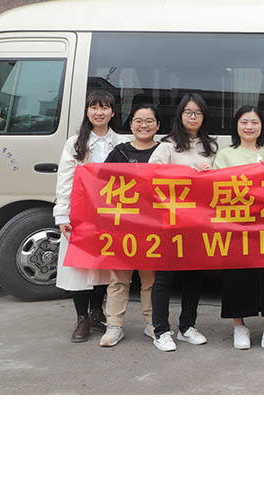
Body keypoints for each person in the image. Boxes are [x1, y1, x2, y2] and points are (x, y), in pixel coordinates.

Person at [214, 105, 264, 355]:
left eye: (255, 122)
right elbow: (214, 187)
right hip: (236, 226)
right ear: (237, 125)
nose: (249, 127)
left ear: (261, 127)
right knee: (237, 276)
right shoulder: (225, 155)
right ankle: (239, 325)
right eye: (244, 122)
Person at [54, 89, 125, 342]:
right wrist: (62, 215)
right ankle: (81, 319)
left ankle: (97, 313)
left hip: (110, 215)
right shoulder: (75, 143)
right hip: (81, 215)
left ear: (112, 112)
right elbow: (65, 179)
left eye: (104, 107)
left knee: (103, 268)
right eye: (94, 107)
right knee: (81, 268)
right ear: (87, 111)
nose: (99, 112)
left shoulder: (121, 143)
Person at [148, 93, 217, 352]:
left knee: (194, 278)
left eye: (197, 112)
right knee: (164, 278)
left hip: (198, 224)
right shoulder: (167, 146)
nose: (192, 116)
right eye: (188, 112)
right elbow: (151, 176)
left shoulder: (211, 147)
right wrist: (185, 173)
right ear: (180, 115)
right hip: (170, 222)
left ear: (204, 117)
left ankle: (187, 326)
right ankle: (161, 331)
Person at [100, 103, 161, 347]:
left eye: (149, 121)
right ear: (131, 124)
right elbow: (100, 183)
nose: (143, 125)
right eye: (138, 120)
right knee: (118, 279)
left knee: (151, 281)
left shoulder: (164, 151)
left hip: (153, 228)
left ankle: (153, 323)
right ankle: (114, 326)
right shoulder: (119, 153)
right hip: (122, 226)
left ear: (158, 125)